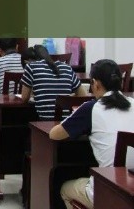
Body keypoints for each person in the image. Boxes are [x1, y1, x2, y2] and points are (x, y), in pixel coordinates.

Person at [50, 60, 134, 209]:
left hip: (108, 191)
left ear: (95, 83)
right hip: (131, 190)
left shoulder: (92, 108)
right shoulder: (133, 103)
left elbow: (54, 134)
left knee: (64, 188)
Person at [20, 45, 87, 120]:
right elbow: (82, 96)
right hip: (66, 121)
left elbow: (24, 98)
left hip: (45, 121)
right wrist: (67, 97)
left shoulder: (31, 67)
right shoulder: (67, 68)